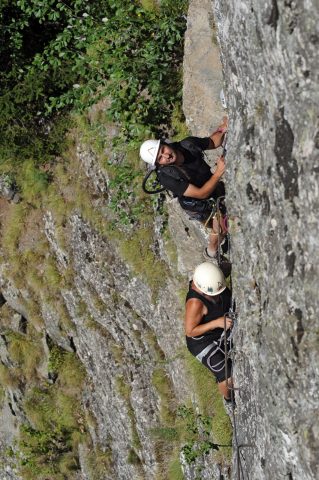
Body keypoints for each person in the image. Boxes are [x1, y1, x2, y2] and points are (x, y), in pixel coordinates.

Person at [139, 118, 228, 261]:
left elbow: (213, 142)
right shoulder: (167, 177)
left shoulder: (188, 145)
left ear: (164, 144)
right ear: (158, 165)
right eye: (160, 158)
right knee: (220, 228)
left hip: (209, 185)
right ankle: (211, 251)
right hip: (196, 204)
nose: (166, 156)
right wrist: (218, 173)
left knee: (222, 221)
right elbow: (201, 193)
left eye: (163, 150)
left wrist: (223, 129)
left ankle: (217, 239)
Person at [184, 262, 234, 405]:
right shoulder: (195, 303)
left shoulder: (210, 278)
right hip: (201, 342)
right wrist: (216, 323)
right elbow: (190, 331)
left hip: (217, 328)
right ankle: (229, 401)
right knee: (226, 376)